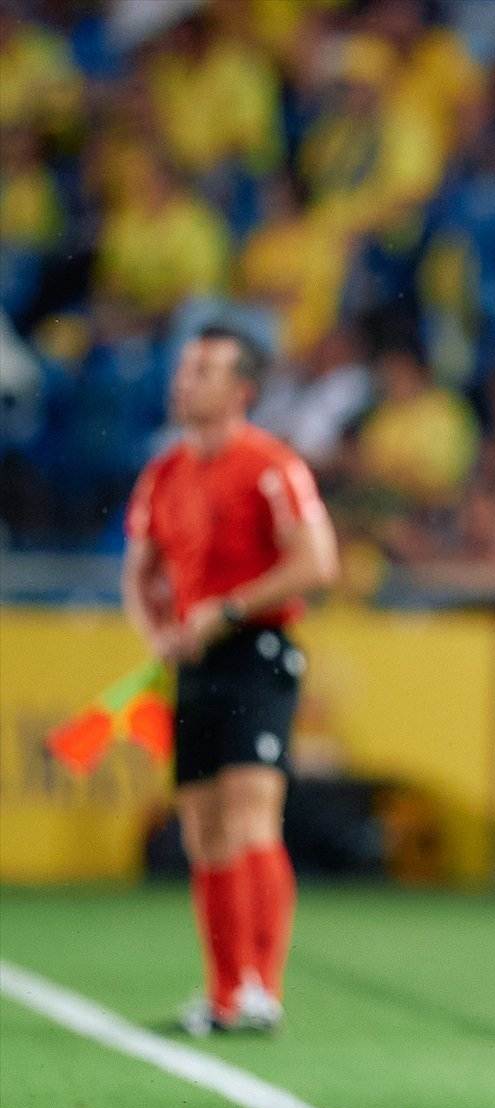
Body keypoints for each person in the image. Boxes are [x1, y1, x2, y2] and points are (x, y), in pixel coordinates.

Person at [122, 325, 339, 1036]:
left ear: (242, 389)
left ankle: (262, 990)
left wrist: (231, 607)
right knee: (202, 828)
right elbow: (140, 571)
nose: (185, 382)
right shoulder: (164, 474)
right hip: (196, 663)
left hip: (257, 651)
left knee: (249, 812)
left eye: (204, 371)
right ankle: (222, 995)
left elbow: (318, 562)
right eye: (184, 368)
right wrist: (157, 633)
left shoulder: (271, 465)